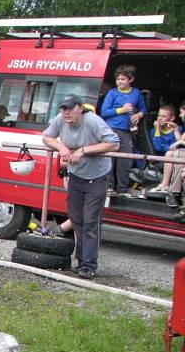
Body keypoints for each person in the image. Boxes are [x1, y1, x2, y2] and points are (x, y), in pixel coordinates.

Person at [42, 93, 120, 279]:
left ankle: (89, 265)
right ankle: (80, 261)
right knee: (77, 220)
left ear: (80, 108)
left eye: (70, 108)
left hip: (97, 177)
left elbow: (114, 143)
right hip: (76, 176)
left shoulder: (93, 121)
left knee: (91, 221)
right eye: (63, 108)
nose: (66, 112)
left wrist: (84, 150)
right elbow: (46, 137)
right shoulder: (61, 120)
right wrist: (62, 148)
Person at [99, 65, 146, 197]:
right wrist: (122, 110)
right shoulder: (112, 93)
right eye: (118, 79)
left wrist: (139, 115)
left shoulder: (136, 93)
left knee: (125, 160)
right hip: (111, 129)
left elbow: (143, 109)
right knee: (110, 158)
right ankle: (109, 187)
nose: (119, 81)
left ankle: (122, 189)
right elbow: (104, 112)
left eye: (123, 79)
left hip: (127, 131)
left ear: (131, 80)